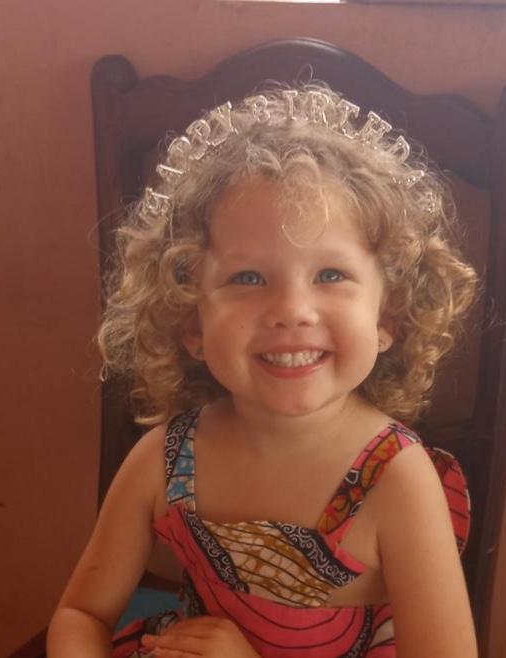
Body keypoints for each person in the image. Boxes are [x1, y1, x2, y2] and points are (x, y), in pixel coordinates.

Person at [47, 83, 478, 658]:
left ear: (388, 316)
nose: (291, 311)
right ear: (191, 321)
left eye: (330, 275)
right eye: (247, 278)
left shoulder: (397, 479)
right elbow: (80, 614)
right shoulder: (164, 461)